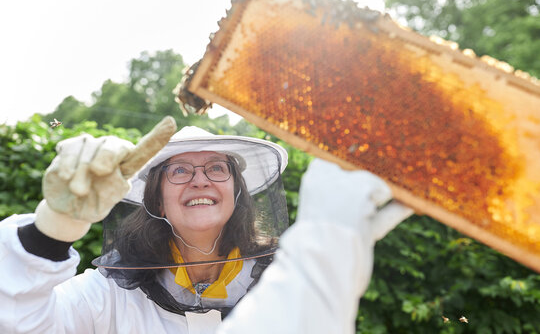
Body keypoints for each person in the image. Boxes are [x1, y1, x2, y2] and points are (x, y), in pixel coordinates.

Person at [0, 116, 413, 333]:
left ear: (237, 192)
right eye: (179, 171)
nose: (200, 179)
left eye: (217, 168)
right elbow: (19, 322)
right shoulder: (108, 293)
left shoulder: (278, 280)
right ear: (156, 196)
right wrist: (51, 230)